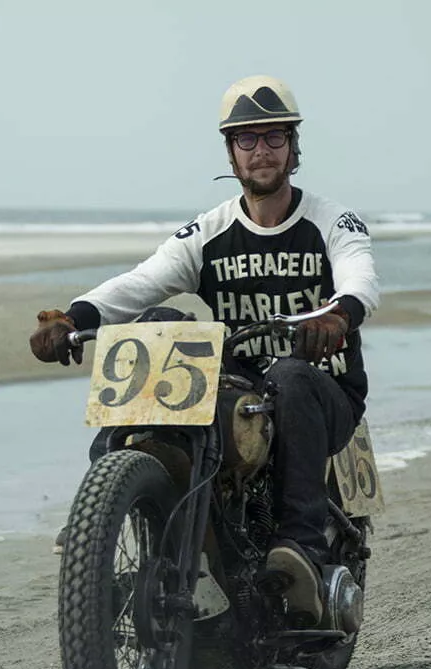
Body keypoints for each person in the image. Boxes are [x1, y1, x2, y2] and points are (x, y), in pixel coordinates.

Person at [29, 75, 380, 626]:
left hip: (323, 390)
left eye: (273, 138)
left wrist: (338, 315)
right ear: (230, 151)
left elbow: (359, 275)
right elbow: (141, 281)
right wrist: (72, 317)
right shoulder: (210, 231)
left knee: (289, 376)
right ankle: (104, 504)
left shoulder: (331, 221)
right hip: (238, 391)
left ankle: (302, 549)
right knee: (159, 324)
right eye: (248, 140)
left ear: (293, 146)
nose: (261, 151)